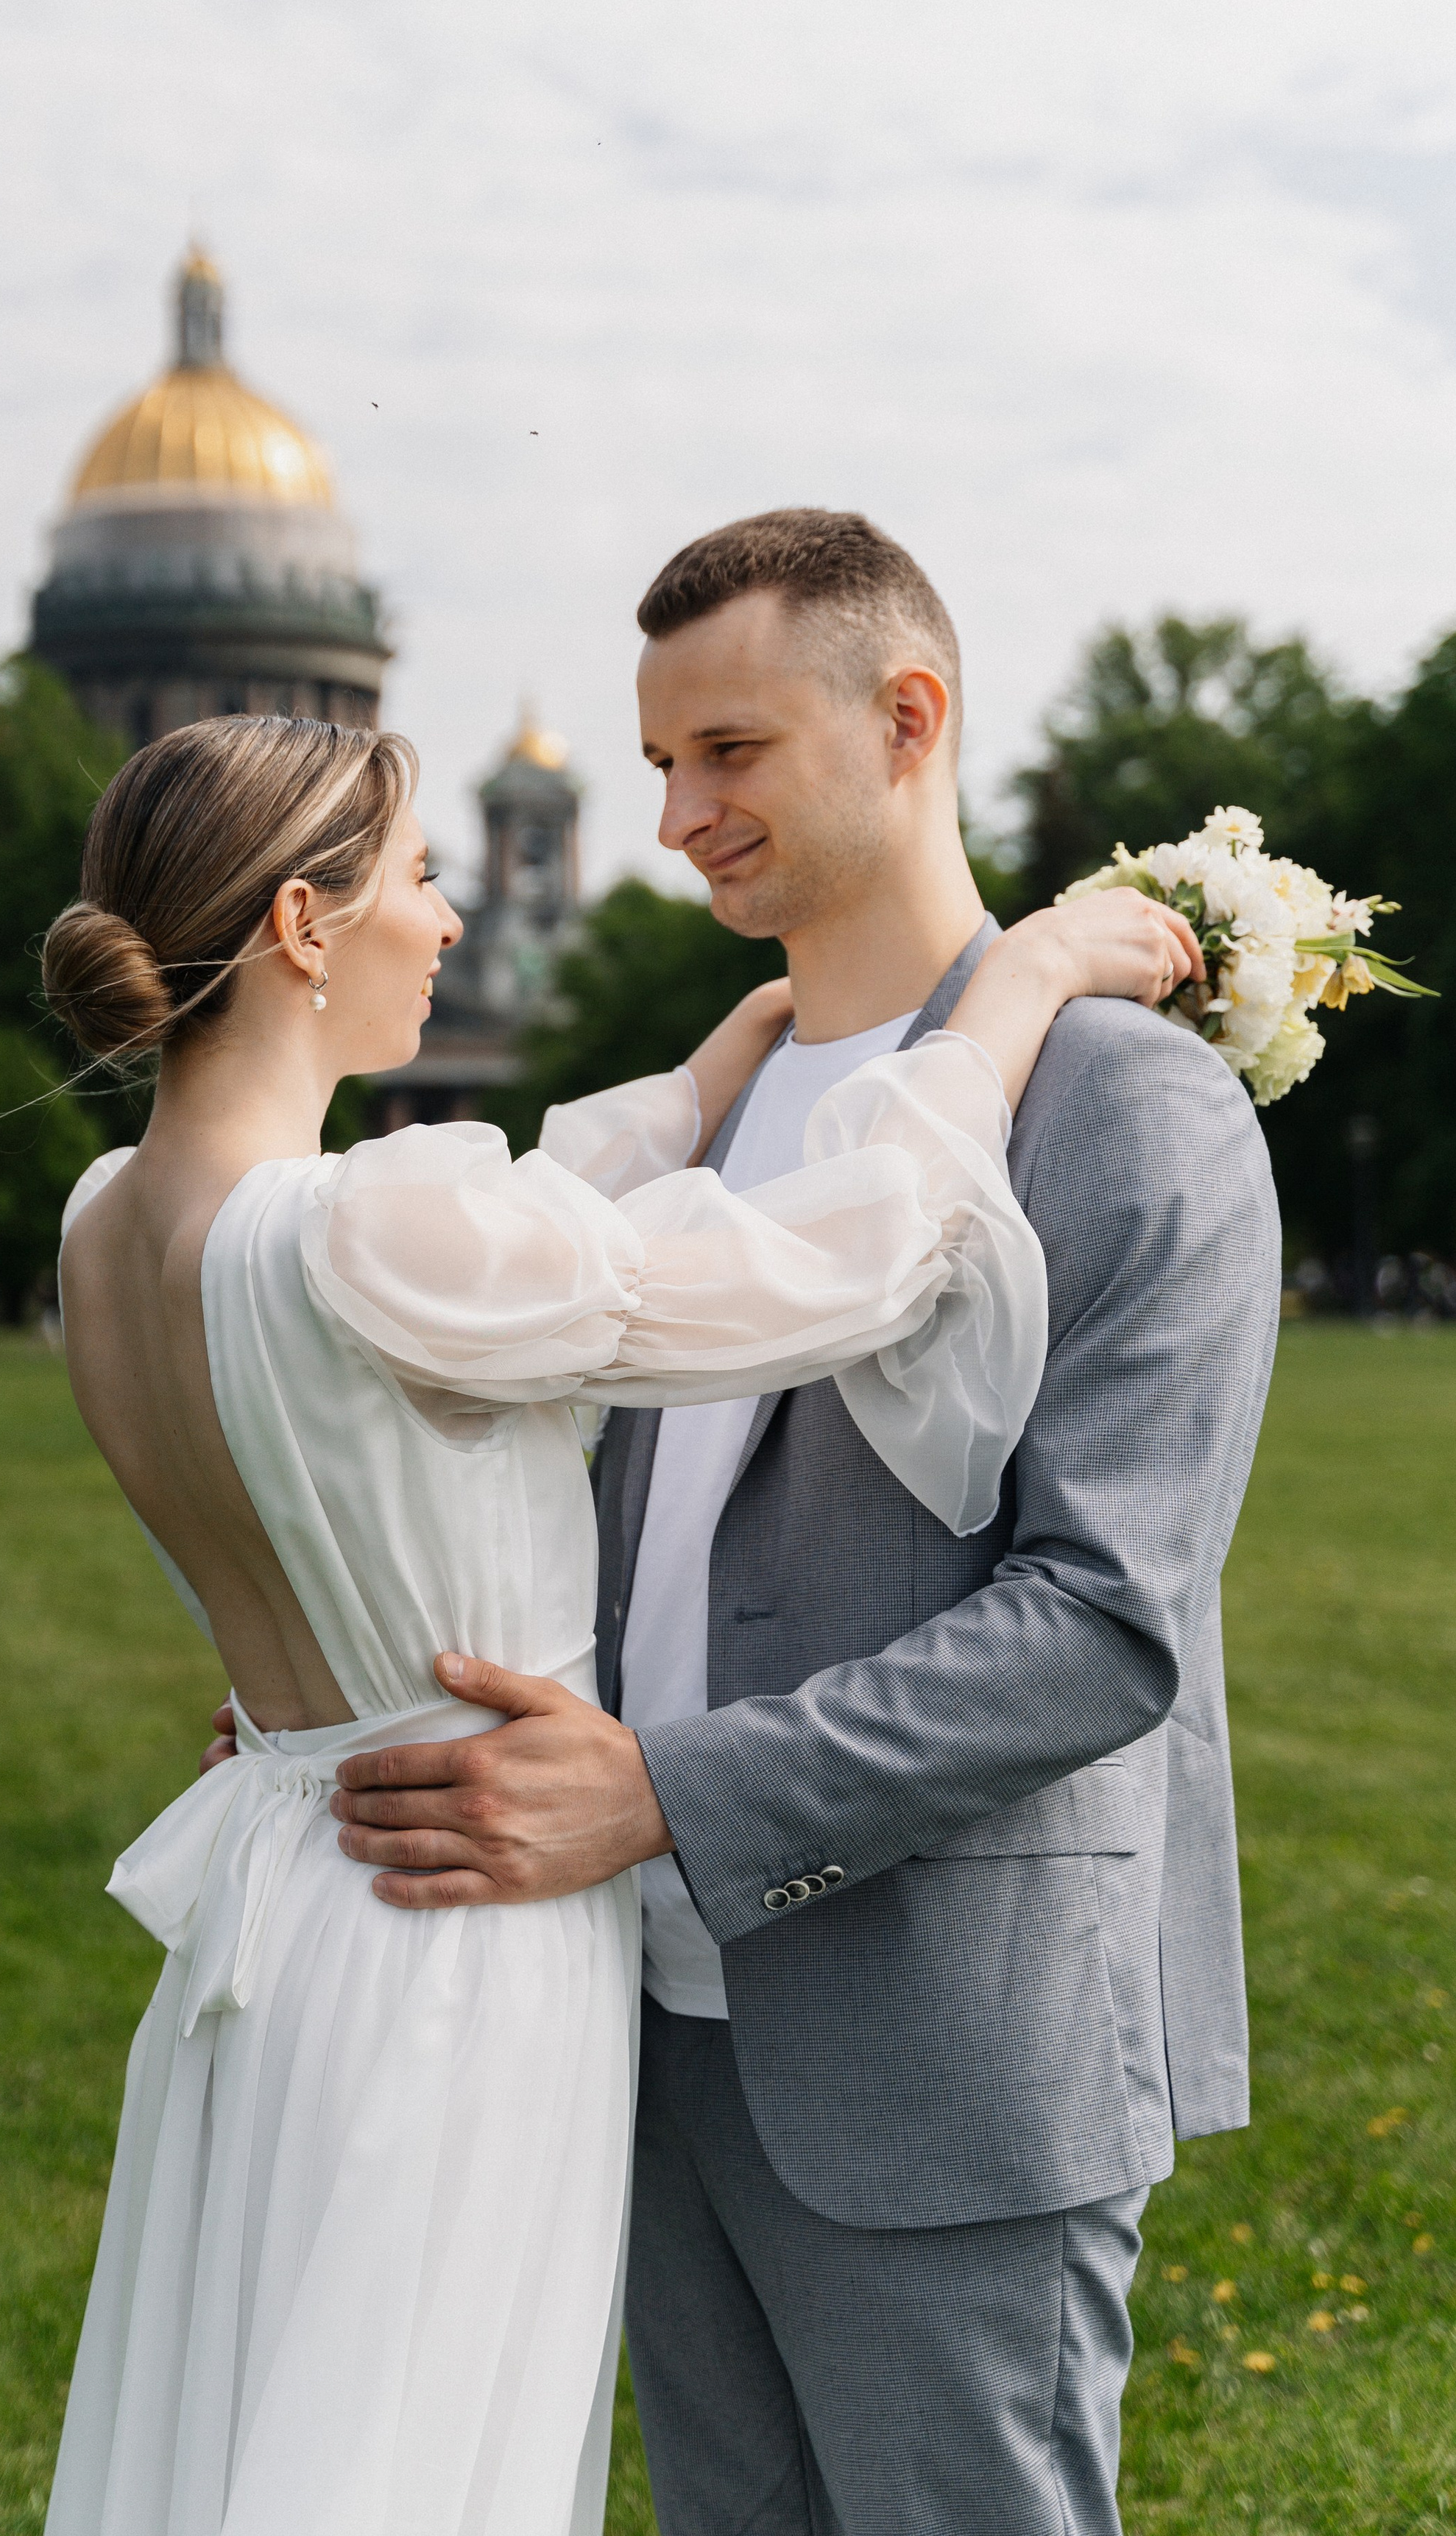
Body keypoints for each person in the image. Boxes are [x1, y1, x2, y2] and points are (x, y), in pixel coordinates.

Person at [37, 706, 1198, 2536]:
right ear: (298, 928)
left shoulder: (109, 1229)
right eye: (415, 879)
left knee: (282, 2435)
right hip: (458, 1936)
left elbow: (488, 1265)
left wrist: (713, 1067)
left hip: (293, 1896)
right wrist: (1019, 982)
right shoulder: (366, 1228)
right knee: (423, 2471)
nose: (437, 919)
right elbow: (854, 1253)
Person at [330, 512, 1284, 2536]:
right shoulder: (714, 1101)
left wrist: (660, 1793)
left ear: (906, 719)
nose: (672, 814)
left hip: (945, 2054)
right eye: (658, 760)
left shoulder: (1126, 1104)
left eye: (729, 752)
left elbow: (1106, 1624)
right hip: (656, 2047)